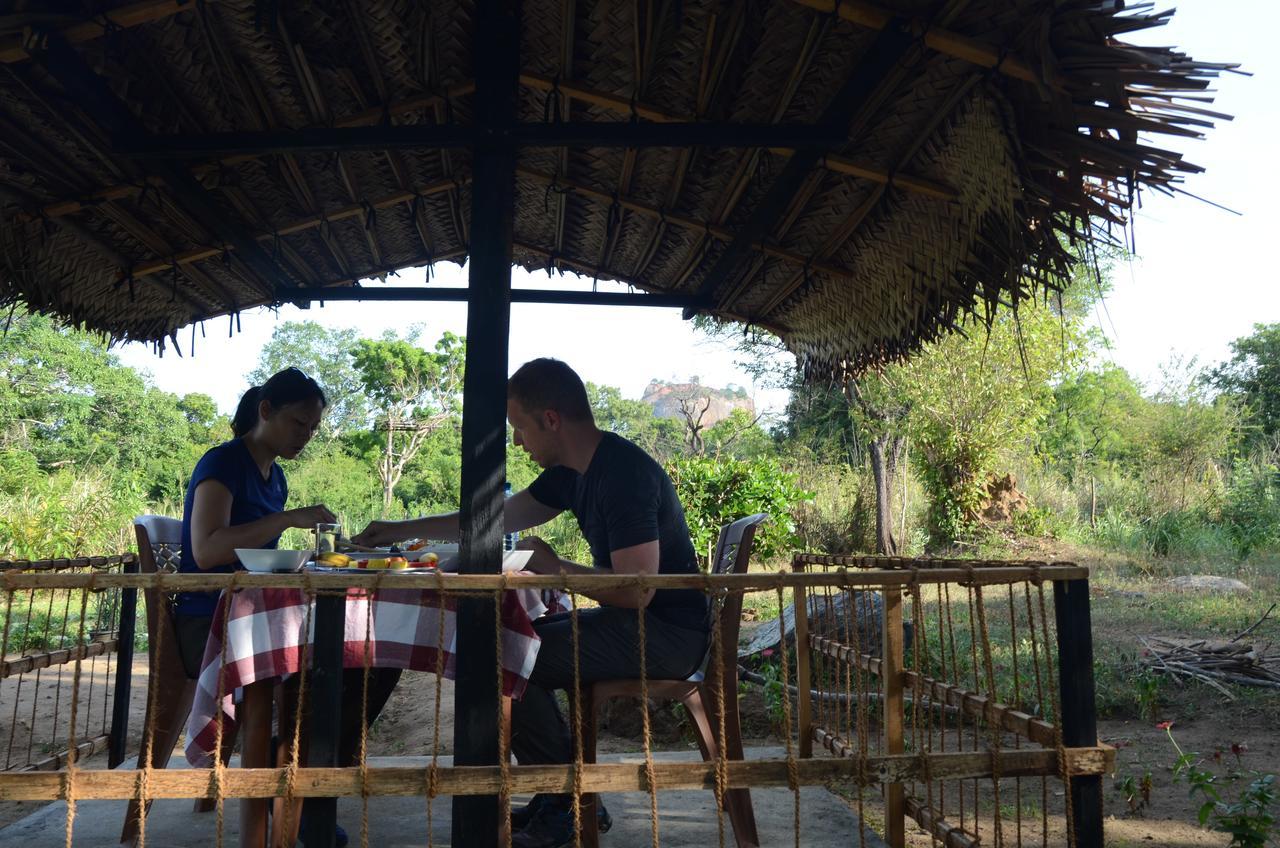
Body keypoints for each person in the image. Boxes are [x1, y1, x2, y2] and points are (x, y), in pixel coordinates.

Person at [354, 358, 710, 848]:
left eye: (519, 428)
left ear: (550, 419)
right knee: (501, 645)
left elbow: (639, 590)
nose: (517, 442)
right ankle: (564, 795)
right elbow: (489, 518)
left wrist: (553, 565)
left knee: (498, 655)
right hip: (634, 624)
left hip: (667, 635)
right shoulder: (572, 473)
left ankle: (564, 800)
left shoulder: (623, 474)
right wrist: (397, 531)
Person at [176, 366, 399, 848]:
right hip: (211, 623)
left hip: (261, 620)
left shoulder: (274, 476)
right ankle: (286, 803)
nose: (306, 435)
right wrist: (288, 518)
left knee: (373, 662)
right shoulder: (223, 464)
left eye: (313, 428)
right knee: (323, 674)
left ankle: (305, 791)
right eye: (299, 422)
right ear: (265, 411)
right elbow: (207, 550)